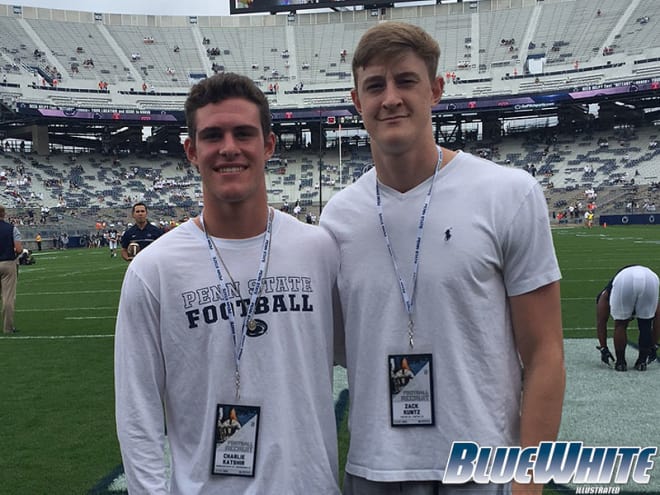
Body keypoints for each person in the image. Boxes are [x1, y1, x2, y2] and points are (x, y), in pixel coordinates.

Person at [319, 22, 565, 495]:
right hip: (375, 469)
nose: (390, 98)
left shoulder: (507, 193)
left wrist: (529, 480)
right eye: (375, 85)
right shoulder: (338, 218)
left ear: (435, 90)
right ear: (357, 102)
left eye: (405, 81)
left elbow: (545, 352)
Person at [115, 72, 340, 494]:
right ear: (191, 151)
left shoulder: (319, 251)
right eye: (213, 135)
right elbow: (136, 410)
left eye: (244, 133)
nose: (229, 148)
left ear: (269, 145)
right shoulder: (154, 270)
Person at [596, 265, 659, 371]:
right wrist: (653, 345)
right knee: (646, 325)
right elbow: (658, 319)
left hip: (625, 280)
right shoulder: (607, 294)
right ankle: (642, 363)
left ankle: (620, 363)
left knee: (620, 324)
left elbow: (601, 322)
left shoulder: (605, 295)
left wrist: (603, 347)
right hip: (651, 278)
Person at [0, 206, 22, 334]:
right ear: (4, 214)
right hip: (8, 262)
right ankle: (7, 327)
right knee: (8, 297)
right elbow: (19, 249)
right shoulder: (12, 228)